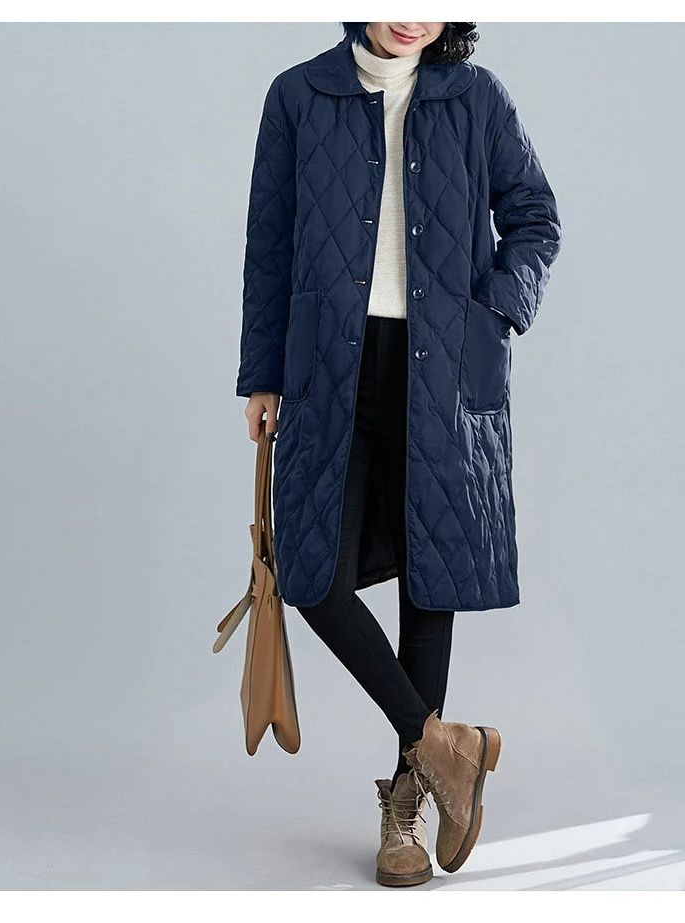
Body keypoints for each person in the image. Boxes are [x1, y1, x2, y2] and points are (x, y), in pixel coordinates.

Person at [236, 21, 561, 887]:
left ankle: (408, 807)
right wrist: (261, 374)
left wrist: (495, 310)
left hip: (443, 368)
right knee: (312, 574)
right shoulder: (299, 95)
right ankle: (446, 745)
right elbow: (270, 241)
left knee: (431, 577)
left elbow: (535, 217)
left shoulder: (477, 97)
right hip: (330, 367)